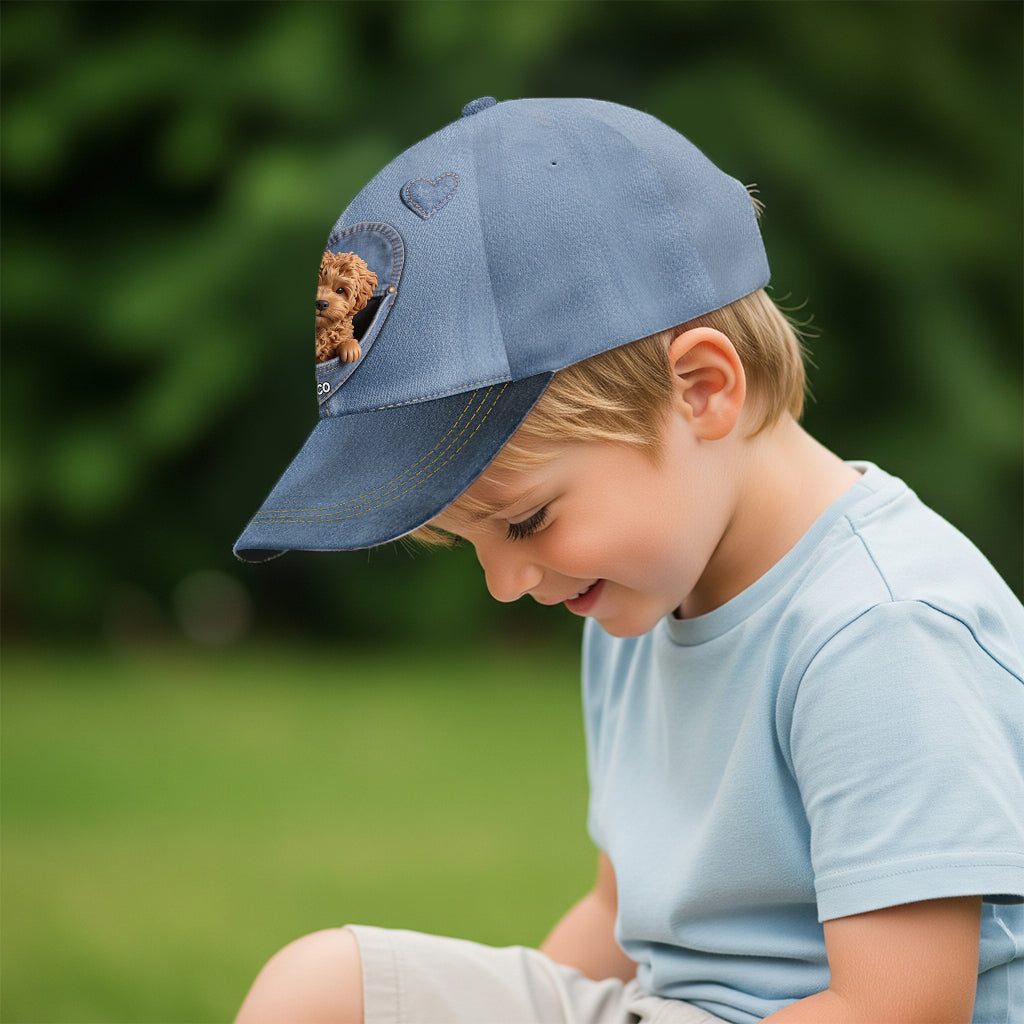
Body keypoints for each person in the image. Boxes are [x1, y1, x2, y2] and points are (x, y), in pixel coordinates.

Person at [232, 97, 1024, 1023]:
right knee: (322, 991)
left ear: (701, 390)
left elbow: (899, 1009)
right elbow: (620, 918)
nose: (504, 583)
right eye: (471, 543)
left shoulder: (878, 628)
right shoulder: (634, 596)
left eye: (524, 522)